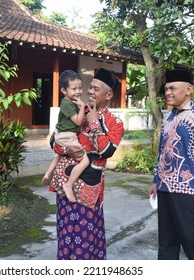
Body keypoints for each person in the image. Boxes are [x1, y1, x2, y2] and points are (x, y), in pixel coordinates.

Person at [49, 68, 124, 260]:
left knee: (86, 238)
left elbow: (107, 151)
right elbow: (54, 139)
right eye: (89, 87)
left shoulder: (114, 122)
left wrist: (94, 125)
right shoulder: (75, 111)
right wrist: (65, 150)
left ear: (108, 95)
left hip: (89, 190)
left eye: (95, 89)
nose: (89, 91)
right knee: (65, 234)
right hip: (64, 183)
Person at [148, 69, 194, 260]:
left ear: (188, 89)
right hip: (164, 187)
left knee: (189, 237)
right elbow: (162, 152)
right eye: (166, 89)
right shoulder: (168, 118)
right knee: (166, 241)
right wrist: (156, 180)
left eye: (172, 88)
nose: (168, 92)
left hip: (188, 188)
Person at [41, 70, 89, 202]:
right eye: (74, 89)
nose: (78, 92)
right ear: (63, 90)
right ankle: (68, 184)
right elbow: (78, 122)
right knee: (85, 161)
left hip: (61, 136)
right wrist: (82, 106)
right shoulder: (67, 104)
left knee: (58, 156)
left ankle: (47, 174)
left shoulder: (69, 103)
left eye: (80, 88)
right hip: (68, 137)